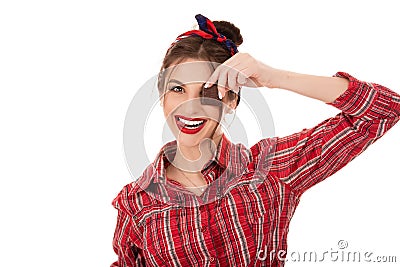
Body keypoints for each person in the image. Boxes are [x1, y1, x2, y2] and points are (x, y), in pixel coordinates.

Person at [110, 14, 400, 266]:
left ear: (232, 100)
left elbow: (385, 109)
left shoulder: (271, 168)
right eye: (177, 89)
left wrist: (274, 77)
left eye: (208, 92)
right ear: (162, 95)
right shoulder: (135, 203)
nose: (190, 106)